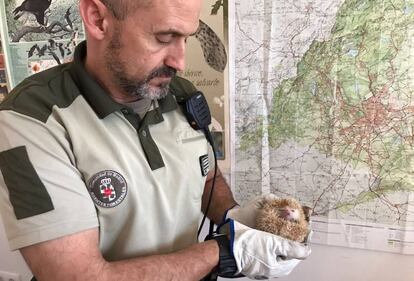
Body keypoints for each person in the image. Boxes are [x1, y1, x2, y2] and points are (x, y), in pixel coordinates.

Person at [0, 0, 311, 280]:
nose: (180, 61)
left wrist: (230, 215)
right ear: (97, 19)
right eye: (164, 37)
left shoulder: (180, 94)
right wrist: (226, 252)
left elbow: (204, 175)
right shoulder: (30, 120)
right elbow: (76, 276)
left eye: (186, 38)